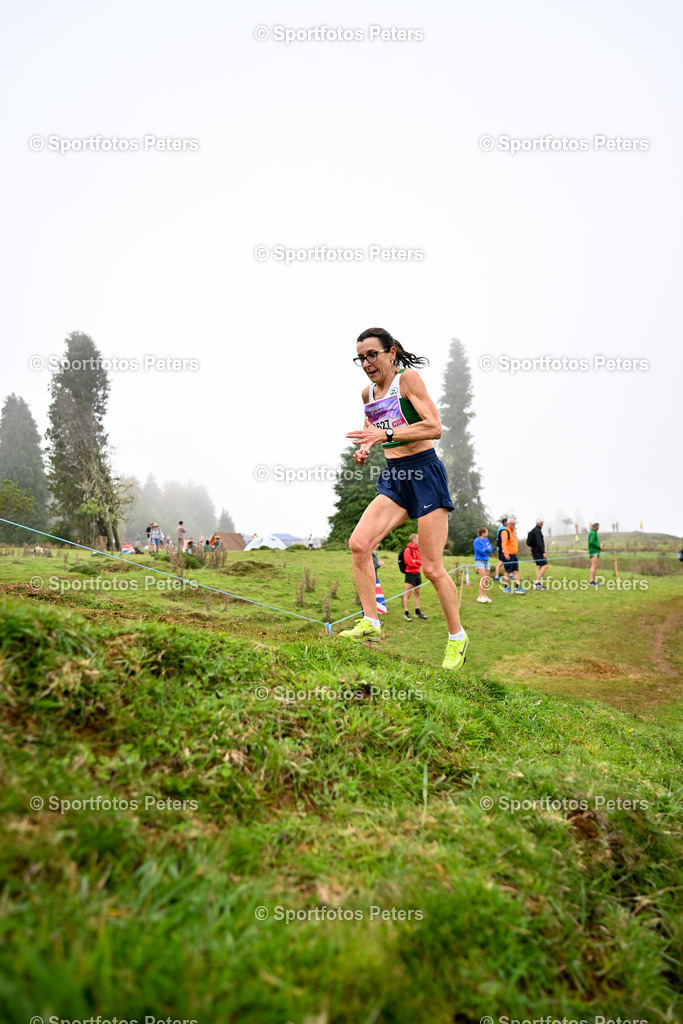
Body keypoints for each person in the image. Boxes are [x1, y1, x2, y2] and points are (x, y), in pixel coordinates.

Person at [338, 327, 468, 669]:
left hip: (424, 472)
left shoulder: (408, 379)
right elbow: (372, 433)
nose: (366, 363)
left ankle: (457, 638)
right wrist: (365, 449)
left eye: (372, 355)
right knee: (359, 544)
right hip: (395, 476)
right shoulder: (368, 393)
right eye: (360, 358)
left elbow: (434, 427)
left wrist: (386, 434)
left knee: (431, 567)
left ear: (391, 352)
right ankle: (370, 622)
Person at [401, 534, 428, 621]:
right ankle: (406, 613)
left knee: (417, 592)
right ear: (413, 540)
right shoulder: (408, 550)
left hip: (417, 573)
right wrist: (416, 562)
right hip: (410, 574)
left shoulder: (418, 550)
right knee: (408, 593)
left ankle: (417, 611)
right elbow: (409, 563)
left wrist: (415, 561)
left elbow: (422, 562)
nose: (419, 541)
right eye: (417, 539)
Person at [500, 517, 525, 595]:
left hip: (514, 554)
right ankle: (506, 587)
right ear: (508, 524)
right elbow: (503, 544)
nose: (514, 525)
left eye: (514, 524)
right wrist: (506, 554)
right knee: (508, 571)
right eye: (512, 524)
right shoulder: (505, 532)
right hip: (508, 555)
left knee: (516, 571)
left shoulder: (513, 532)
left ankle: (517, 587)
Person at [473, 527, 493, 603]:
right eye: (486, 532)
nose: (487, 533)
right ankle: (480, 596)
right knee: (483, 578)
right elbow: (481, 551)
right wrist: (486, 549)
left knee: (487, 579)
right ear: (483, 533)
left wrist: (486, 549)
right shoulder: (476, 541)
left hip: (486, 561)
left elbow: (490, 549)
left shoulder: (486, 540)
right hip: (479, 561)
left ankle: (485, 595)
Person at [527, 518, 549, 590]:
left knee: (539, 566)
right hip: (538, 551)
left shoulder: (534, 530)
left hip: (534, 550)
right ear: (541, 523)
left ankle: (538, 584)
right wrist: (543, 552)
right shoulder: (538, 531)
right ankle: (536, 582)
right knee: (545, 566)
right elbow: (539, 542)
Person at [588, 522, 603, 586]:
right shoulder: (593, 533)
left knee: (595, 566)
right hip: (594, 551)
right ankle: (591, 581)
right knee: (593, 566)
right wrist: (599, 546)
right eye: (598, 526)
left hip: (595, 551)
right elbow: (591, 542)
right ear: (595, 526)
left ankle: (594, 581)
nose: (598, 527)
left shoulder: (594, 533)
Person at [494, 516, 508, 582]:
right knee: (502, 561)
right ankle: (499, 576)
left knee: (501, 561)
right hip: (502, 548)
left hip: (500, 548)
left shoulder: (500, 528)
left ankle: (497, 576)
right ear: (505, 522)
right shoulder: (504, 529)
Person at [372, 550, 387, 615]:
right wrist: (378, 565)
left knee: (375, 597)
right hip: (369, 579)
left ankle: (375, 615)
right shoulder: (368, 553)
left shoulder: (375, 553)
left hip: (375, 578)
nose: (378, 544)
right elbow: (369, 568)